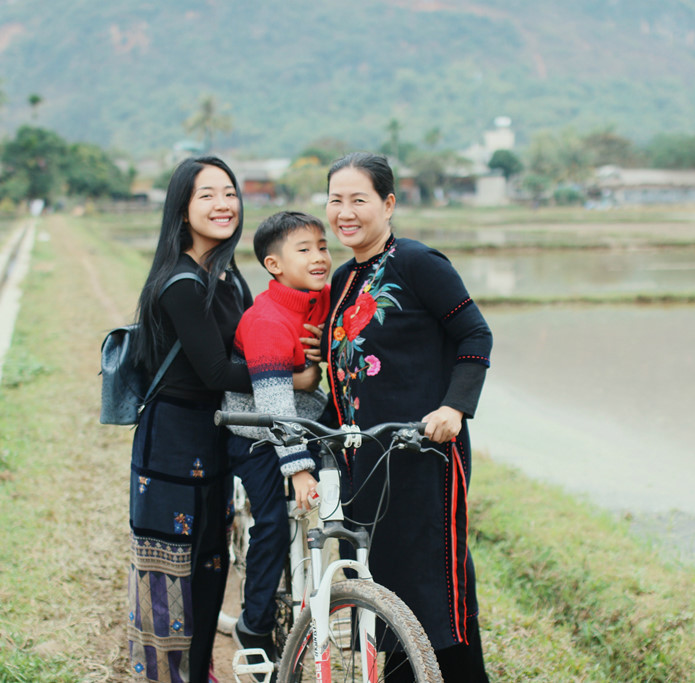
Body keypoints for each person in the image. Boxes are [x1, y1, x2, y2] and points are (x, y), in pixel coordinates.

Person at [126, 157, 319, 682]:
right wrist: (293, 378)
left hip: (217, 433)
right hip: (172, 439)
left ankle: (200, 667)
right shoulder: (180, 283)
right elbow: (215, 368)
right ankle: (167, 674)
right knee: (172, 564)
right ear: (183, 210)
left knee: (212, 560)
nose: (223, 204)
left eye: (229, 193)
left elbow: (254, 340)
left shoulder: (228, 276)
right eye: (207, 195)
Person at [322, 152, 493, 682]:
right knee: (381, 586)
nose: (345, 212)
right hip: (366, 460)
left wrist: (454, 406)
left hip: (423, 457)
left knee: (436, 588)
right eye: (335, 200)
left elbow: (474, 335)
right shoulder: (344, 279)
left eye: (359, 200)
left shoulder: (419, 264)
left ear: (388, 204)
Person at [221, 211, 331, 673]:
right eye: (303, 250)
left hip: (306, 419)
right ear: (274, 265)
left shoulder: (322, 300)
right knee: (271, 523)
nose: (319, 256)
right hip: (258, 430)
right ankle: (255, 623)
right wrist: (299, 468)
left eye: (322, 246)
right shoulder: (266, 321)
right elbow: (274, 406)